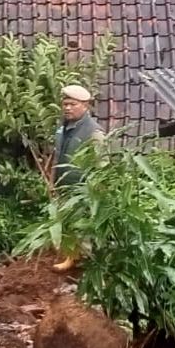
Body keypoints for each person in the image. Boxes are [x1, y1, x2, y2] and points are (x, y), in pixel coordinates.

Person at [52, 85, 104, 271]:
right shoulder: (63, 128)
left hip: (82, 188)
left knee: (82, 226)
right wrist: (52, 183)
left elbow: (101, 165)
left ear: (85, 106)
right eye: (65, 104)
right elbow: (56, 157)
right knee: (67, 223)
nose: (67, 108)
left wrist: (95, 191)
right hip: (63, 185)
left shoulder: (94, 132)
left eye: (72, 104)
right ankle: (71, 258)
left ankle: (85, 263)